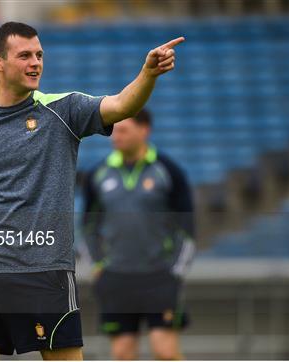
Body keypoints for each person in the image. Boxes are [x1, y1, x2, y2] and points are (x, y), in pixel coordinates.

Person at [0, 21, 184, 360]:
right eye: (25, 55)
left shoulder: (63, 109)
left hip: (45, 273)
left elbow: (121, 106)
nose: (36, 63)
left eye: (39, 55)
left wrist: (148, 74)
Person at [82, 109, 195, 360]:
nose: (115, 137)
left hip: (159, 277)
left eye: (123, 130)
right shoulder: (98, 174)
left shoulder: (169, 171)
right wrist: (98, 267)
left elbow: (187, 229)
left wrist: (175, 271)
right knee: (122, 353)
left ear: (144, 130)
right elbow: (88, 227)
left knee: (164, 351)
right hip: (117, 278)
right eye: (113, 131)